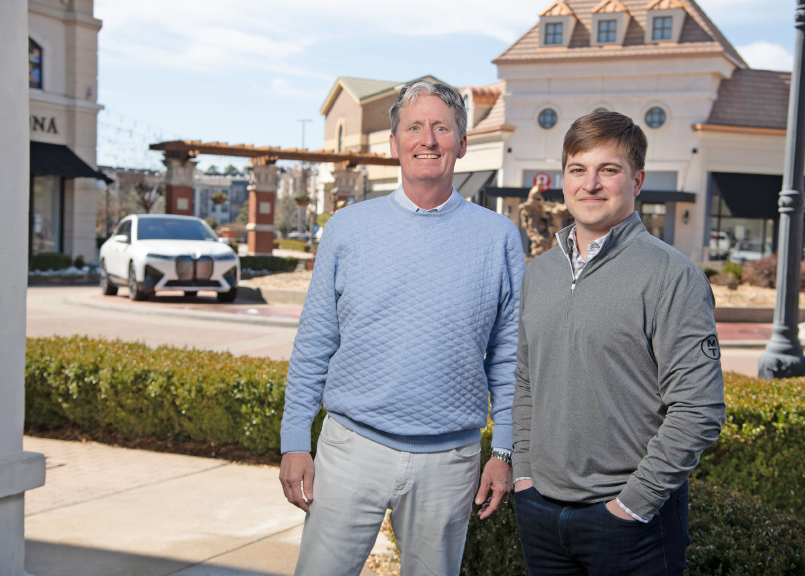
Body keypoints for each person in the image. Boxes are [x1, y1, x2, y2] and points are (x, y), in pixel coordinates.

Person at [279, 80, 525, 576]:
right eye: (414, 127)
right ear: (394, 144)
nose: (427, 139)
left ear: (461, 142)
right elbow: (314, 342)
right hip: (350, 450)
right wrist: (293, 440)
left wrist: (504, 449)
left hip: (449, 463)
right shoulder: (347, 229)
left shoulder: (499, 237)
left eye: (441, 127)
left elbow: (511, 358)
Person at [512, 111, 726, 575]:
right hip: (541, 515)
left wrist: (633, 505)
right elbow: (526, 382)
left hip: (630, 525)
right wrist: (524, 476)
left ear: (637, 180)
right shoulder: (540, 274)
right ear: (564, 179)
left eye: (608, 169)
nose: (590, 184)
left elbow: (699, 408)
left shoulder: (672, 277)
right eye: (577, 169)